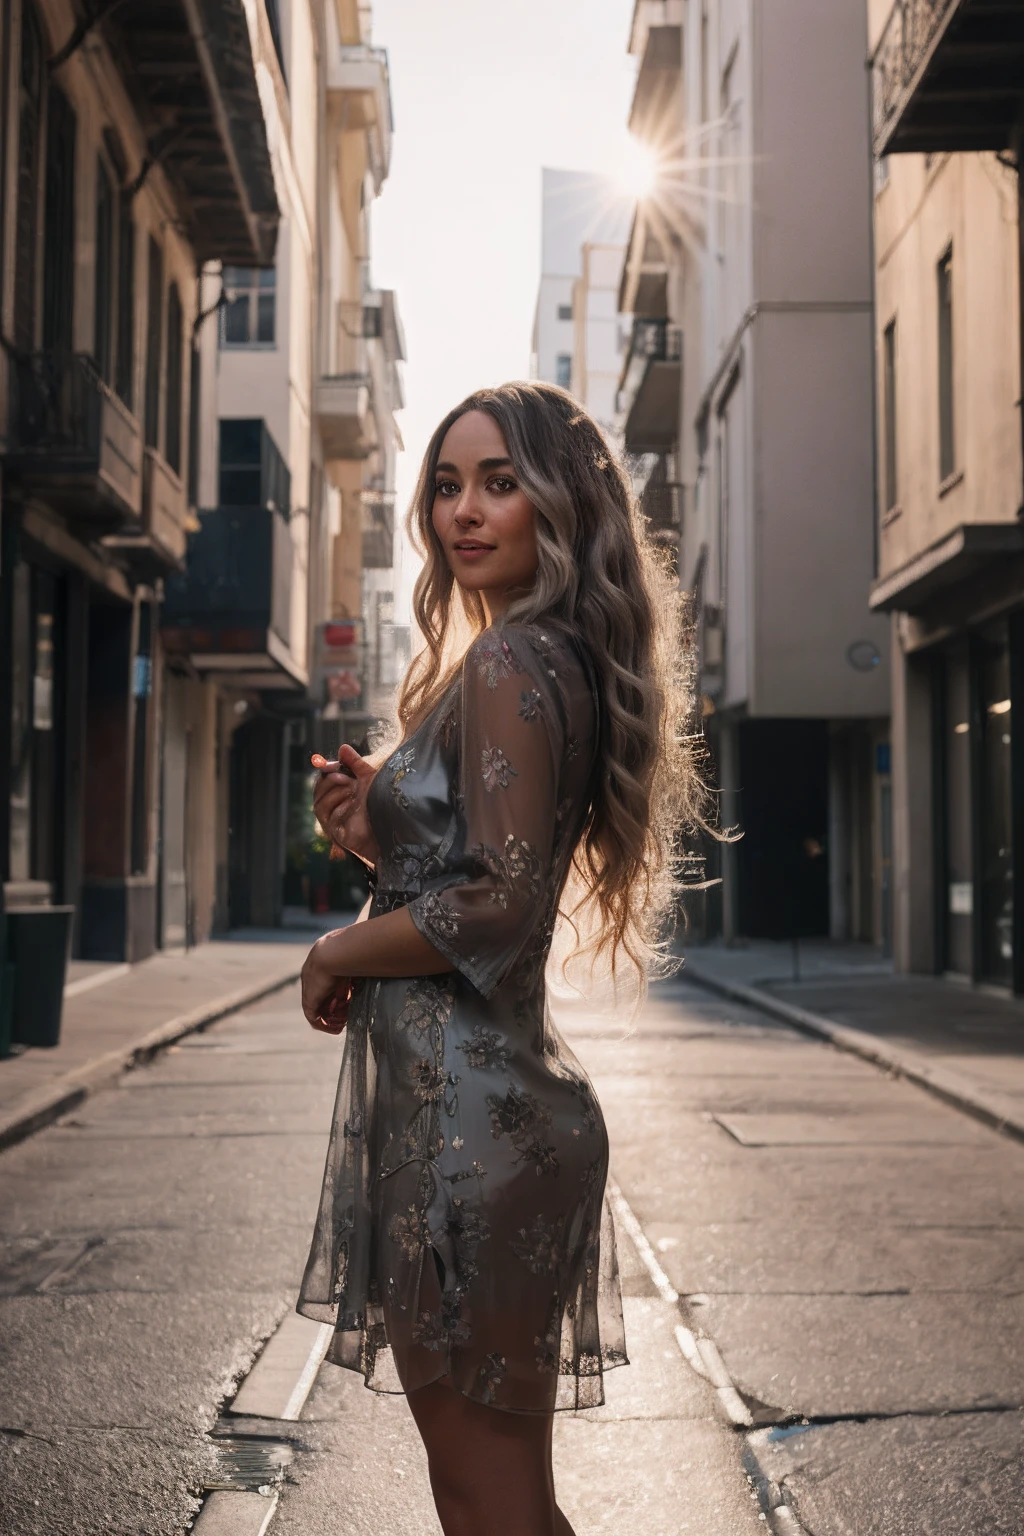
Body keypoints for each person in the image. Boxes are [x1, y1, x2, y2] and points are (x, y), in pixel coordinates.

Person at [297, 382, 702, 1536]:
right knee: (505, 1506)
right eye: (445, 484)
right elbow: (479, 880)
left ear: (558, 503)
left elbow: (493, 906)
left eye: (498, 482)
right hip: (488, 1114)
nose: (461, 512)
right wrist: (380, 832)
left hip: (464, 1126)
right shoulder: (550, 657)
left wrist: (335, 949)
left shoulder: (510, 664)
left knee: (488, 1508)